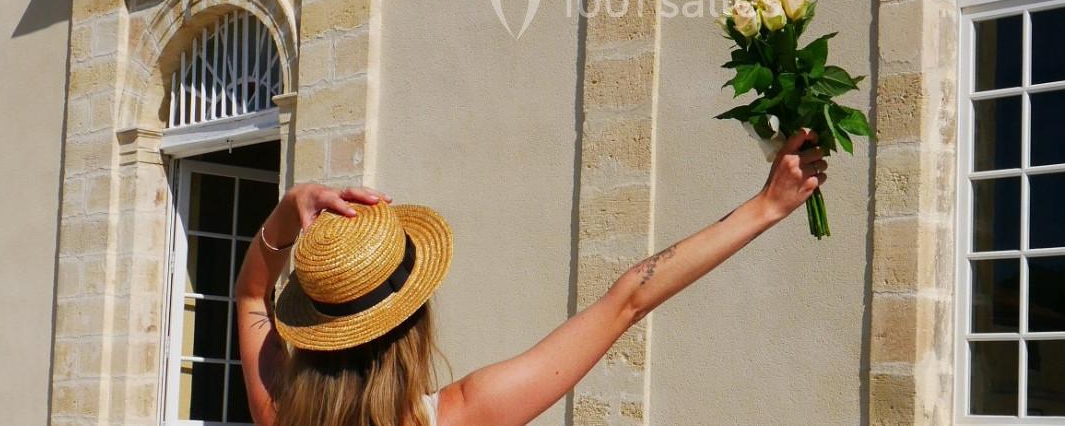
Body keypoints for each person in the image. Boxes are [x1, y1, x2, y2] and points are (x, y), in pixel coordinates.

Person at [235, 129, 828, 426]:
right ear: (411, 320)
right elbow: (628, 301)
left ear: (318, 331)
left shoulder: (278, 411)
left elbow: (252, 292)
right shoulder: (467, 413)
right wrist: (764, 208)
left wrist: (289, 209)